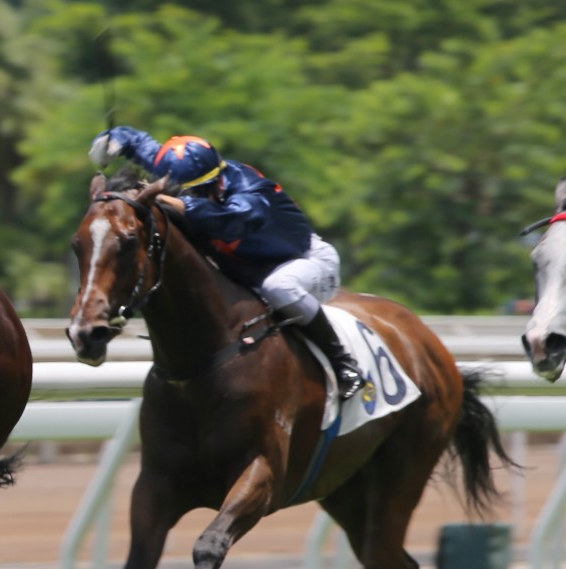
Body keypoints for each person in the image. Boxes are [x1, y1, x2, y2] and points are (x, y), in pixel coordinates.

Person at [90, 126, 364, 401]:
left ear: (213, 183)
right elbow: (141, 144)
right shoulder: (188, 170)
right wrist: (114, 139)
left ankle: (343, 362)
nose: (183, 198)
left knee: (278, 287)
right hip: (245, 267)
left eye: (188, 194)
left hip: (304, 261)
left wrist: (164, 198)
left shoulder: (251, 193)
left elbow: (229, 219)